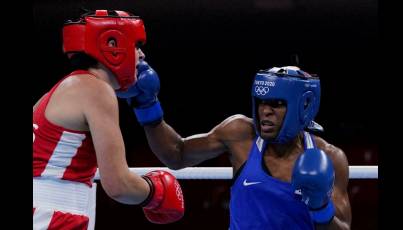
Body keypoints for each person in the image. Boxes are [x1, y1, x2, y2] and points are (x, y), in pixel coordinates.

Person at [117, 63, 352, 229]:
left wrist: (320, 208)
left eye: (277, 104)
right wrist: (147, 107)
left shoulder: (329, 158)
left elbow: (343, 227)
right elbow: (176, 154)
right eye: (261, 103)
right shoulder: (241, 135)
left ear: (303, 106)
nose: (265, 112)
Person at [33, 10, 184, 230]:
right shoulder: (96, 90)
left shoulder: (61, 90)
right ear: (113, 45)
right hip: (51, 214)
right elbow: (118, 185)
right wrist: (156, 191)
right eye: (136, 46)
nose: (141, 56)